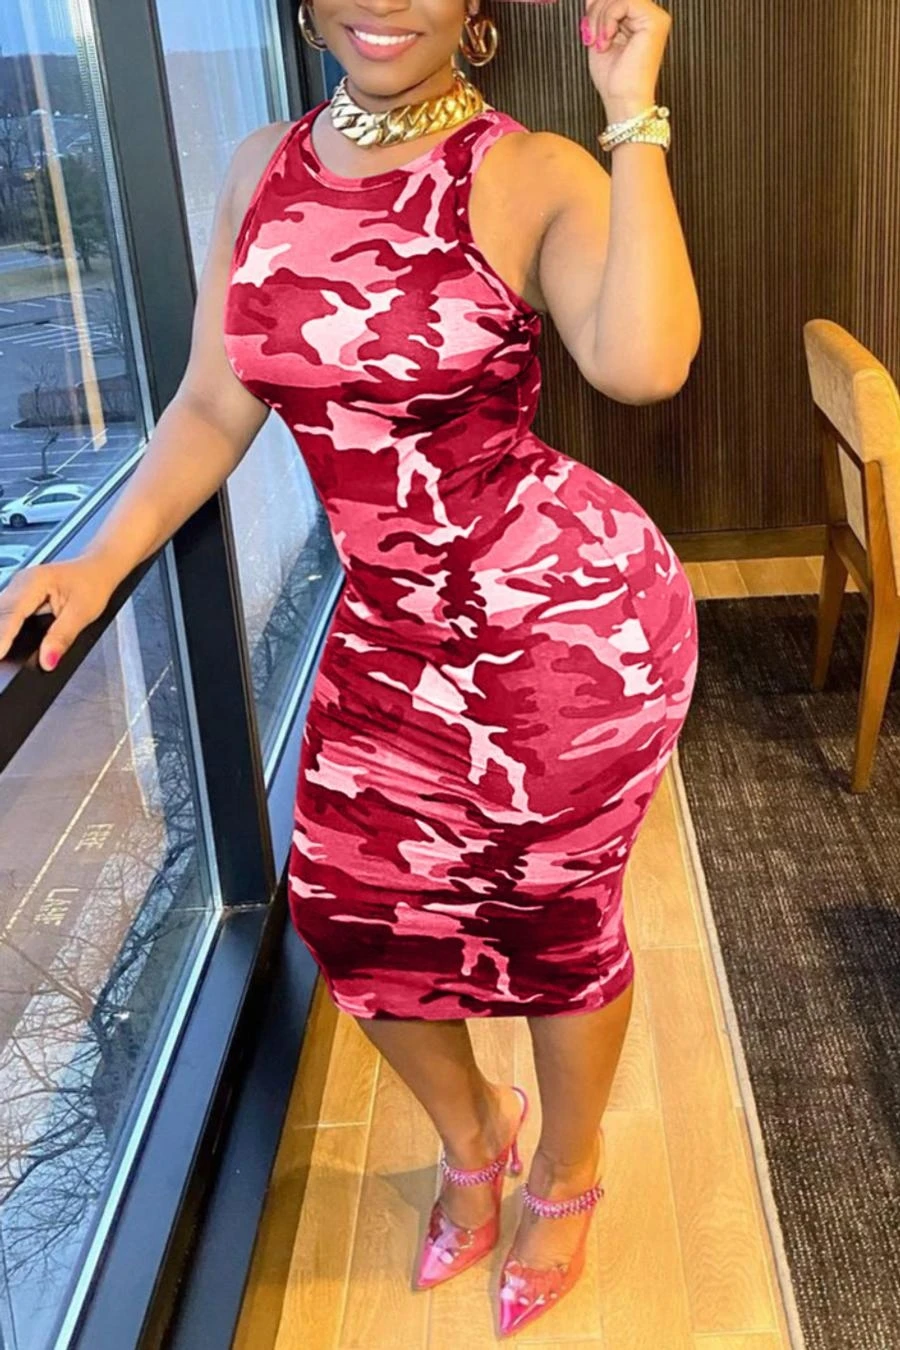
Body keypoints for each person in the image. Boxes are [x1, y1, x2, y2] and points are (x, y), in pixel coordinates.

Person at [0, 0, 701, 1334]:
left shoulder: (527, 170)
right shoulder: (260, 168)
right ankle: (475, 1134)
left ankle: (568, 1170)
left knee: (551, 927)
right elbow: (214, 402)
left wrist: (633, 111)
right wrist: (97, 559)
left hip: (561, 629)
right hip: (390, 627)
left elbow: (644, 361)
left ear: (476, 7)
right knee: (346, 910)